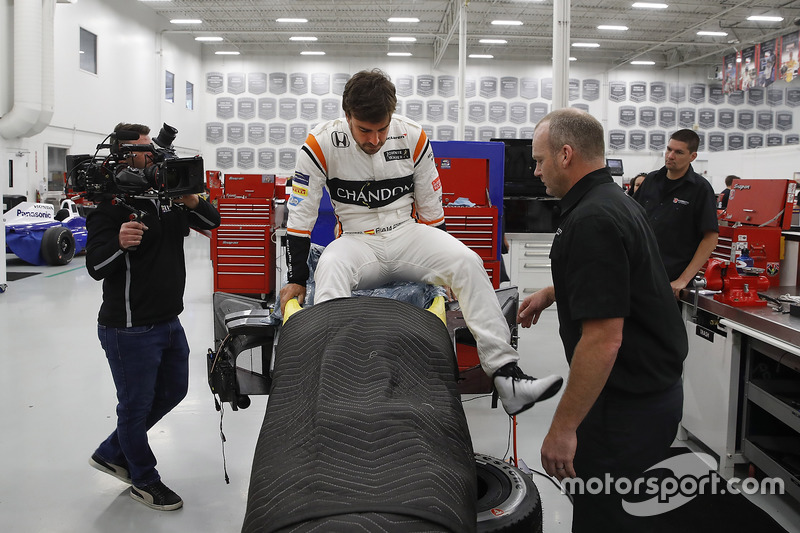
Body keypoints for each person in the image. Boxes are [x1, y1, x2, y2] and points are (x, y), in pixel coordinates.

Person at [279, 69, 562, 416]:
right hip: (355, 240)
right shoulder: (320, 143)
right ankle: (339, 386)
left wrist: (446, 272)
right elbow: (300, 218)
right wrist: (295, 277)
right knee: (329, 269)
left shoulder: (412, 136)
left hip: (406, 233)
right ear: (346, 116)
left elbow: (432, 212)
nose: (374, 139)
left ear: (392, 116)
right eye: (364, 130)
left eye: (382, 129)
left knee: (467, 262)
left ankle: (507, 376)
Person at [518, 108, 687, 532]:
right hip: (649, 396)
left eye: (539, 160)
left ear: (566, 154)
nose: (536, 171)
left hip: (626, 407)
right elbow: (620, 280)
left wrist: (563, 427)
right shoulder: (614, 202)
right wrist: (553, 292)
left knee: (605, 516)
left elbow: (603, 339)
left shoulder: (593, 218)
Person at [86, 122, 221, 510]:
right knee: (135, 407)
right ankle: (143, 478)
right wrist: (120, 243)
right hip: (129, 327)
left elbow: (213, 225)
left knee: (175, 390)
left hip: (168, 319)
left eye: (152, 147)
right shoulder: (108, 208)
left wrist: (193, 201)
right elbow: (96, 266)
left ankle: (112, 451)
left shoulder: (168, 197)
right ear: (123, 156)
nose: (153, 154)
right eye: (144, 149)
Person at [633, 129, 719, 298]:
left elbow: (710, 238)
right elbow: (631, 220)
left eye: (678, 152)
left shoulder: (700, 189)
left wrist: (683, 280)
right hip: (639, 276)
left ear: (692, 156)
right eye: (669, 149)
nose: (670, 156)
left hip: (670, 284)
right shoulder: (651, 180)